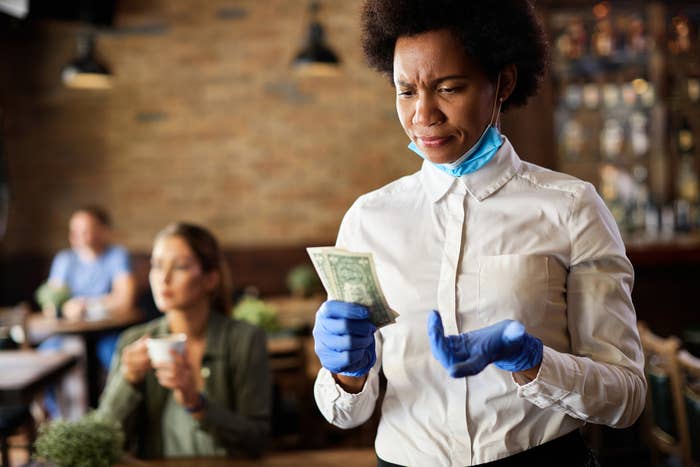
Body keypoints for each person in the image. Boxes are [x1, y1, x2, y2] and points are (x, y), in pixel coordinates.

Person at [312, 1, 646, 466]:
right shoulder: (369, 220)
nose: (423, 114)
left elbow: (627, 397)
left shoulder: (571, 207)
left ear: (503, 82)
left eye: (449, 88)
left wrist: (532, 361)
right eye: (406, 91)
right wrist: (346, 372)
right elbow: (345, 413)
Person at [98, 222, 270, 459]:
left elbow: (257, 440)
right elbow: (102, 440)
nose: (163, 278)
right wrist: (127, 381)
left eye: (179, 266)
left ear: (210, 279)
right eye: (157, 266)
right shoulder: (133, 341)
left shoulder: (245, 340)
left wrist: (196, 404)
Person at [38, 206, 137, 419]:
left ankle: (113, 418)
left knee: (116, 357)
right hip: (68, 335)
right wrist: (67, 307)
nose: (78, 236)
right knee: (47, 358)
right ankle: (62, 421)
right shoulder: (65, 260)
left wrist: (84, 305)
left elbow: (125, 299)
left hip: (109, 332)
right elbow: (51, 303)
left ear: (103, 230)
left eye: (86, 229)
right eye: (74, 230)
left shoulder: (117, 255)